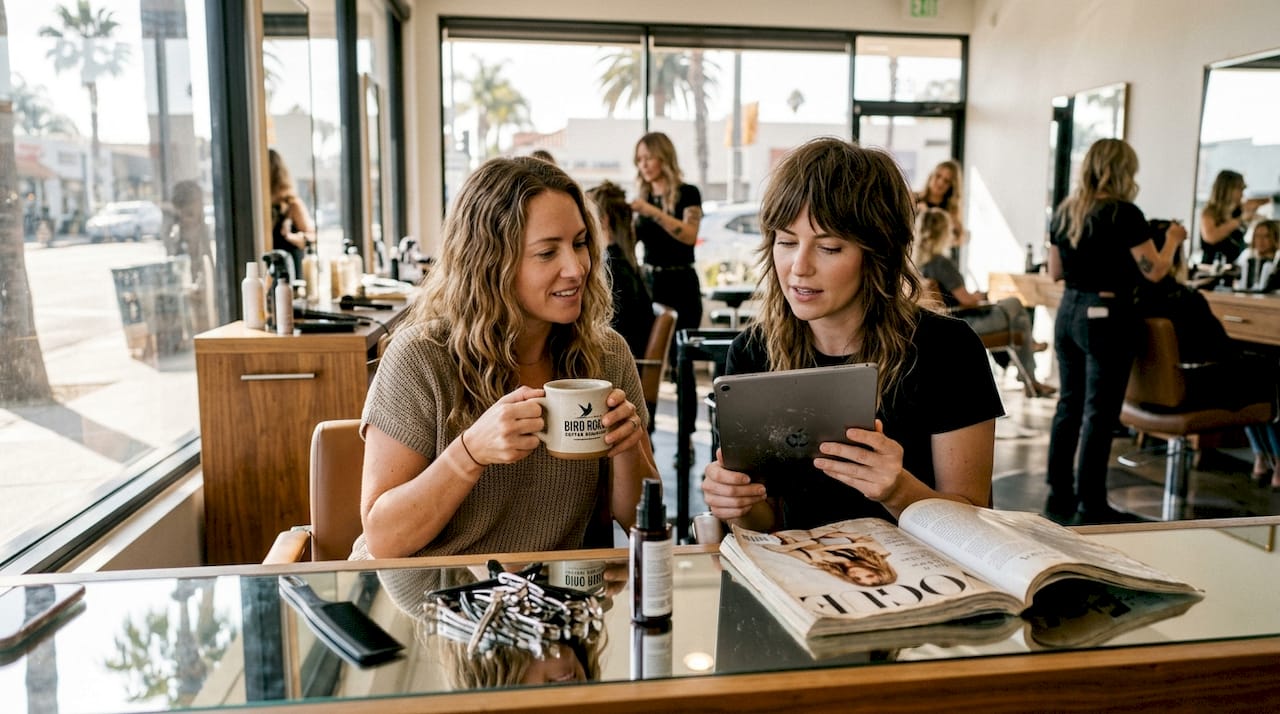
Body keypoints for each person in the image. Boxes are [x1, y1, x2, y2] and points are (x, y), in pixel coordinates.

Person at [351, 156, 657, 569]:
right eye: (548, 252)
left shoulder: (606, 354)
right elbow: (384, 538)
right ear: (490, 263)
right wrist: (470, 452)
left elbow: (639, 520)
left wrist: (626, 447)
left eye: (581, 243)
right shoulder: (420, 358)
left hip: (549, 604)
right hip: (434, 602)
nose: (577, 268)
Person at [700, 138, 1004, 533]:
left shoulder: (947, 349)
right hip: (804, 583)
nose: (798, 267)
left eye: (828, 247)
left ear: (878, 254)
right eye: (787, 242)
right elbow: (769, 522)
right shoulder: (753, 353)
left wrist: (898, 490)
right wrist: (737, 504)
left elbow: (976, 520)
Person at [1045, 138, 1186, 525]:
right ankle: (1091, 502)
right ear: (1122, 171)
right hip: (1107, 314)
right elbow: (1154, 271)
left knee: (1069, 404)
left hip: (1069, 310)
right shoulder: (1125, 214)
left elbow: (1054, 272)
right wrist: (1172, 240)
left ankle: (1059, 489)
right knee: (1099, 412)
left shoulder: (1066, 211)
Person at [914, 207, 1056, 398]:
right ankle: (1030, 370)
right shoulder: (941, 263)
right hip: (964, 323)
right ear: (942, 232)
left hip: (947, 320)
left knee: (1019, 323)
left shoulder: (918, 264)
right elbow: (965, 300)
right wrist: (980, 296)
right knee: (1014, 304)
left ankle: (1029, 367)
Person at [631, 132, 703, 368]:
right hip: (651, 285)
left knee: (682, 359)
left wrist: (651, 212)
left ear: (664, 158)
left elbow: (689, 235)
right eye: (639, 159)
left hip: (682, 283)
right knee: (648, 358)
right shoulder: (643, 199)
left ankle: (687, 406)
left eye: (649, 157)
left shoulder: (688, 193)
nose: (644, 164)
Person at [586, 181, 654, 359]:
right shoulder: (625, 263)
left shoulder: (611, 269)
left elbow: (612, 330)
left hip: (621, 359)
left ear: (603, 220)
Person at [765, 527, 897, 587]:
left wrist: (787, 540)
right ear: (877, 570)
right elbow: (861, 536)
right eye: (869, 575)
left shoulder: (818, 562)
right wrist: (834, 534)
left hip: (795, 533)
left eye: (857, 578)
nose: (859, 574)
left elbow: (785, 550)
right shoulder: (877, 552)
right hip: (836, 528)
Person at [1199, 169, 1267, 266]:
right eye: (1239, 189)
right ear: (1227, 189)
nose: (1242, 194)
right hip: (1212, 267)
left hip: (1236, 265)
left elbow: (1263, 201)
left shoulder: (1239, 209)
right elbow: (1211, 236)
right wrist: (1240, 221)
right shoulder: (1209, 212)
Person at [268, 148, 315, 277]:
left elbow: (311, 237)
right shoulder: (259, 209)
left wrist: (290, 236)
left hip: (291, 274)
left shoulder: (292, 204)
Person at [915, 160, 965, 256]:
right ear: (931, 176)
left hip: (935, 258)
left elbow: (959, 239)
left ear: (952, 186)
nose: (940, 182)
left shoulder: (951, 211)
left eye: (946, 181)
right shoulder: (913, 199)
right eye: (938, 176)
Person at [1236, 219, 1279, 290]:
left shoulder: (1278, 259)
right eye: (1257, 236)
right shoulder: (1246, 255)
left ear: (1275, 237)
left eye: (1266, 236)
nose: (1260, 240)